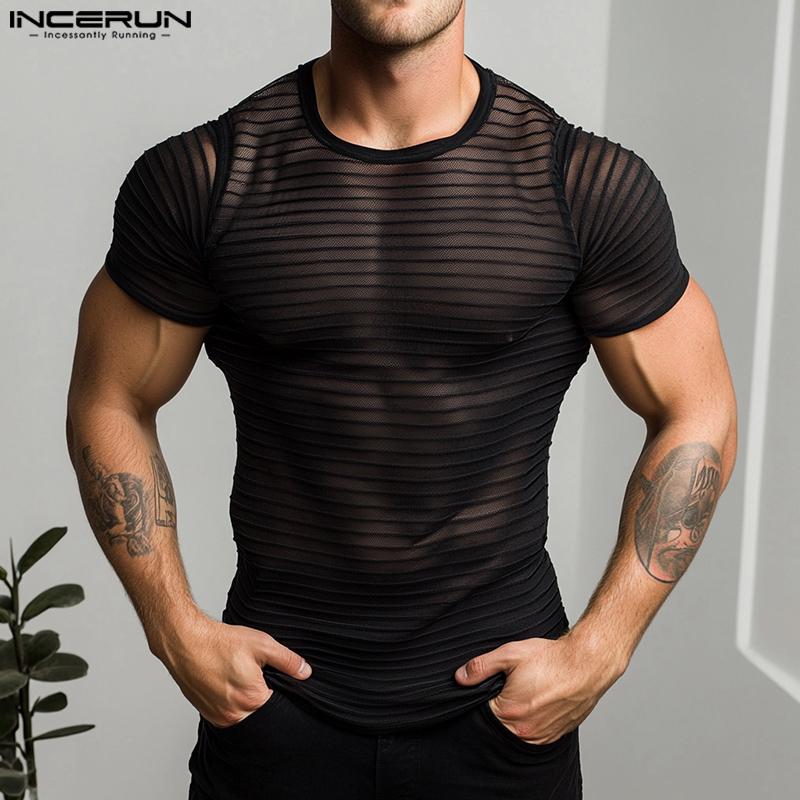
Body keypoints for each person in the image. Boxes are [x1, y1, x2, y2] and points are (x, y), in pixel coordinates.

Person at [65, 1, 737, 798]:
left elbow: (698, 405)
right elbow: (110, 397)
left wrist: (604, 646)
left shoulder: (580, 184)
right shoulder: (207, 177)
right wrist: (171, 629)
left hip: (503, 715)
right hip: (274, 711)